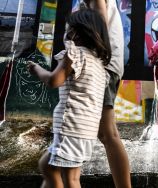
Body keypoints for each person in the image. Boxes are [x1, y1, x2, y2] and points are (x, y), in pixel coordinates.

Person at [27, 9, 111, 187]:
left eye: (70, 28)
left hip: (71, 127)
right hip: (85, 130)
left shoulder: (76, 54)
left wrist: (36, 69)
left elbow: (53, 80)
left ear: (77, 31)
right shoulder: (98, 63)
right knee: (48, 167)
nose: (67, 32)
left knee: (70, 178)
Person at [82, 0, 131, 187]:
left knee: (108, 134)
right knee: (106, 134)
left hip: (101, 68)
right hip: (104, 66)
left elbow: (99, 23)